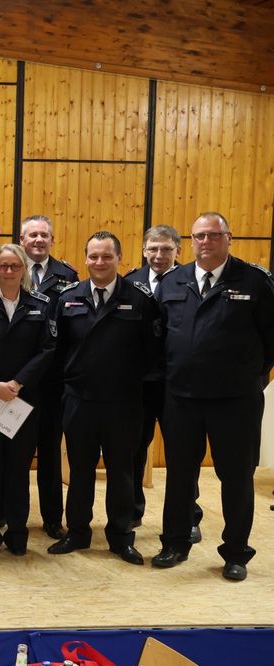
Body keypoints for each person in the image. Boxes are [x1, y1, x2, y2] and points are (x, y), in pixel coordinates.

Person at [152, 212, 274, 582]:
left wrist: (251, 378)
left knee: (236, 478)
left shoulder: (255, 281)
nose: (205, 242)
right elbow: (158, 337)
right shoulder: (174, 280)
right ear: (190, 241)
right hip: (182, 399)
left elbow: (270, 340)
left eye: (213, 235)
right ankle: (175, 543)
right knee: (179, 476)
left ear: (228, 238)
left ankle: (236, 552)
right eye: (199, 236)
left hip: (235, 401)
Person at [48, 231, 159, 565]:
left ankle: (121, 537)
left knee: (122, 472)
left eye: (106, 257)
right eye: (93, 256)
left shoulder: (140, 299)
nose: (99, 263)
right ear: (85, 258)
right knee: (80, 470)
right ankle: (78, 532)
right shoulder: (69, 297)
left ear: (119, 259)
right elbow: (56, 351)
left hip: (122, 403)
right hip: (79, 400)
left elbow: (152, 354)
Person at [0, 243, 55, 556]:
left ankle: (18, 533)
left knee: (18, 469)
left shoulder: (41, 304)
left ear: (24, 270)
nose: (8, 271)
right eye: (2, 266)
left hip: (23, 400)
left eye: (14, 266)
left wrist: (17, 383)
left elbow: (47, 350)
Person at [124, 225, 201, 540]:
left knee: (183, 454)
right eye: (153, 249)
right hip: (139, 385)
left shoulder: (191, 282)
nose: (159, 255)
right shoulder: (129, 283)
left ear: (178, 251)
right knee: (132, 451)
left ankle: (189, 517)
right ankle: (131, 512)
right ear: (143, 250)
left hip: (175, 385)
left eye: (166, 249)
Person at [21, 214, 78, 540]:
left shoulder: (66, 275)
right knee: (16, 452)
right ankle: (8, 512)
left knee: (50, 453)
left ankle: (53, 518)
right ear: (23, 239)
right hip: (17, 381)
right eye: (32, 235)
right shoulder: (9, 268)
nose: (38, 240)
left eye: (44, 235)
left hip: (52, 382)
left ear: (51, 240)